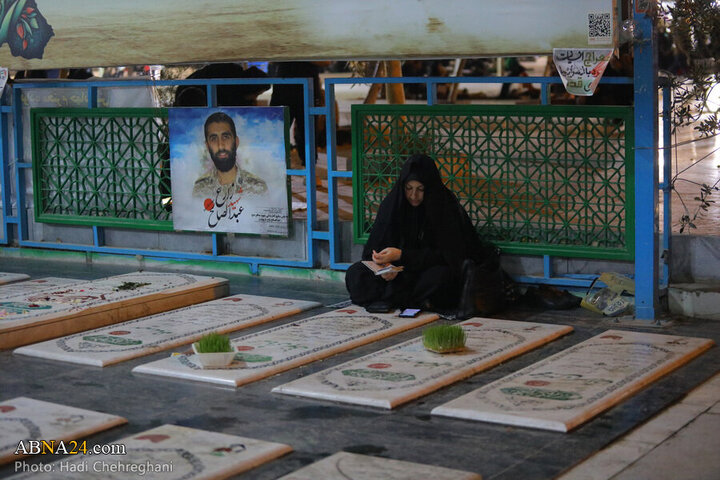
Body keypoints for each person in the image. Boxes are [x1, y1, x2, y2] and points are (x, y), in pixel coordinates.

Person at [345, 153, 501, 314]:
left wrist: (402, 255)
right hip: (397, 274)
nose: (413, 196)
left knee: (442, 278)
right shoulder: (393, 205)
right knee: (355, 273)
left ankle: (391, 299)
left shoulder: (443, 207)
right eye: (409, 189)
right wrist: (384, 265)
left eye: (420, 189)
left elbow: (450, 256)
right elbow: (371, 251)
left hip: (426, 271)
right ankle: (404, 299)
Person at [192, 112, 267, 198]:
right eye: (214, 139)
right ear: (207, 146)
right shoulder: (200, 188)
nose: (220, 145)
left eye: (226, 137)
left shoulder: (258, 188)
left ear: (236, 142)